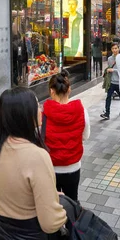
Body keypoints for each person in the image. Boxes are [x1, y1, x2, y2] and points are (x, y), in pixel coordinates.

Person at [0, 88, 67, 240]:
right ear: (25, 114)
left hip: (0, 233)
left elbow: (17, 191)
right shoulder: (37, 156)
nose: (41, 108)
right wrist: (66, 212)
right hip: (30, 236)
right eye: (37, 105)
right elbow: (50, 223)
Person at [43, 71, 90, 201]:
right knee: (72, 201)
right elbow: (85, 136)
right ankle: (73, 221)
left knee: (53, 204)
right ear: (69, 89)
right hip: (73, 166)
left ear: (51, 91)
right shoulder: (81, 111)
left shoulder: (44, 114)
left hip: (51, 168)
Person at [101, 43, 120, 119]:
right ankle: (107, 113)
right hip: (111, 82)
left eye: (116, 48)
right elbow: (109, 68)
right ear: (111, 49)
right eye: (113, 48)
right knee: (108, 97)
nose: (114, 50)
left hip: (119, 82)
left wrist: (113, 70)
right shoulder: (109, 59)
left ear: (118, 49)